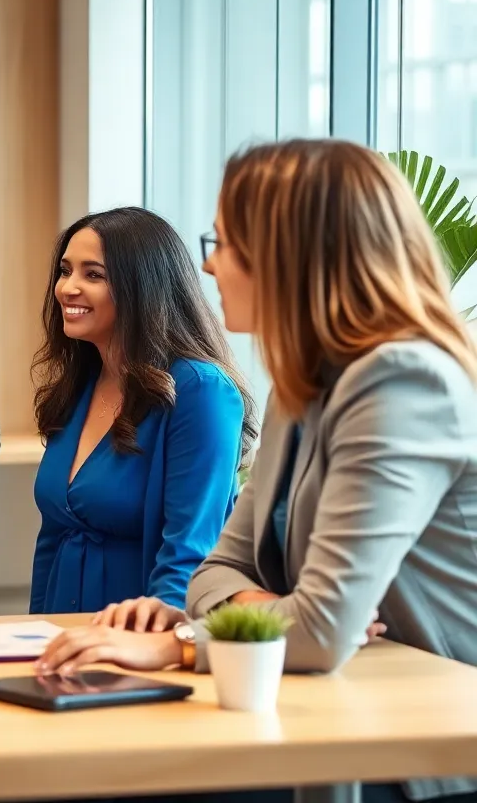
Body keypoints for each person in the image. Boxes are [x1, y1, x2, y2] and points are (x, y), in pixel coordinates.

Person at [36, 139, 477, 803]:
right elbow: (217, 571)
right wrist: (275, 609)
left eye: (227, 242)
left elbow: (322, 628)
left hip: (423, 750)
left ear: (294, 254)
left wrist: (177, 645)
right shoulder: (301, 389)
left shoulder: (402, 380)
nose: (209, 265)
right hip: (331, 711)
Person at [29, 207, 258, 617]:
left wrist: (152, 638)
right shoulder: (80, 384)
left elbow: (191, 550)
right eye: (66, 270)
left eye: (93, 274)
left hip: (144, 639)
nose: (67, 287)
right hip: (64, 640)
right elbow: (54, 536)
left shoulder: (200, 391)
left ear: (142, 287)